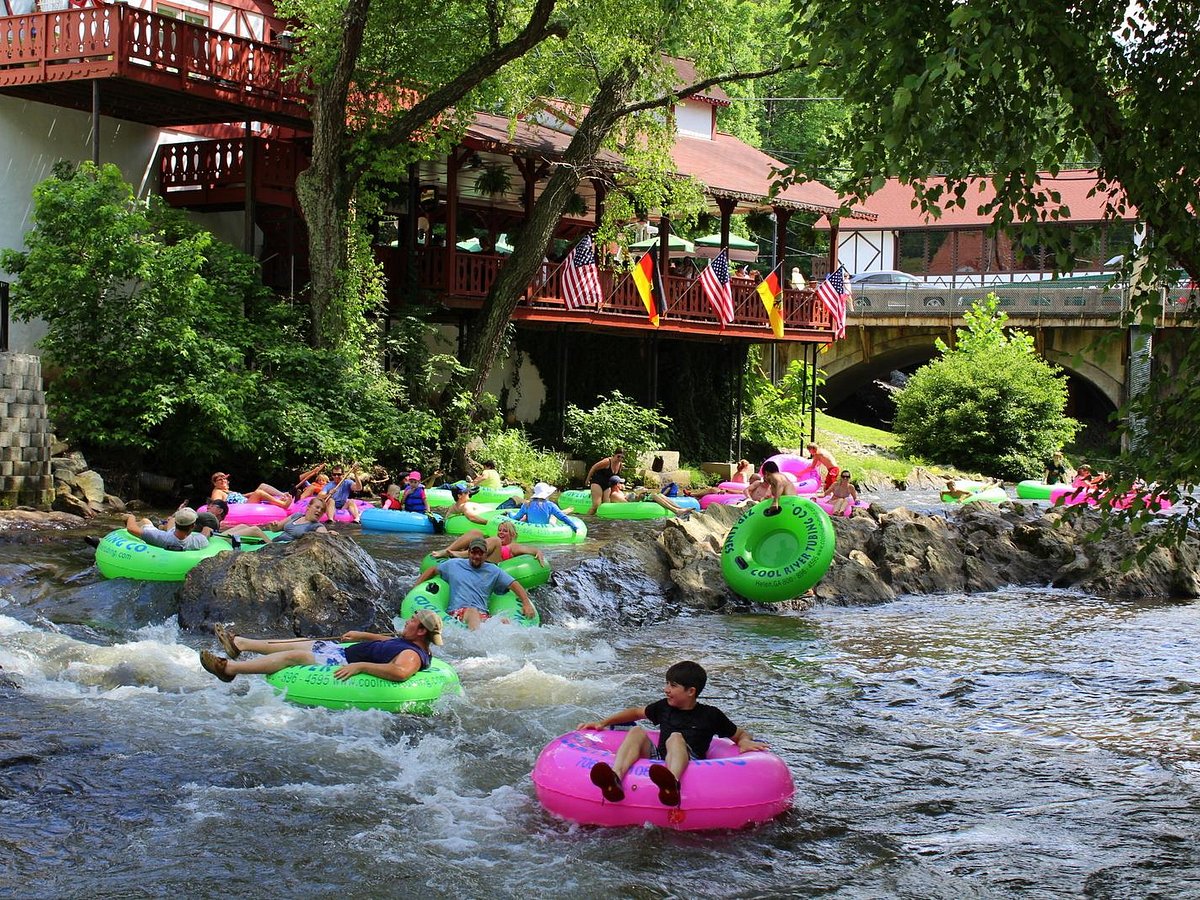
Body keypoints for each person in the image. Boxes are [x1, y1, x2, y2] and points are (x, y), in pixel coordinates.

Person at [579, 660, 766, 808]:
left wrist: (744, 742)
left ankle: (671, 784)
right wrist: (603, 722)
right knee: (636, 730)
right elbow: (636, 712)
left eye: (673, 685)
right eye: (667, 683)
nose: (666, 689)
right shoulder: (663, 707)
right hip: (660, 757)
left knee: (675, 737)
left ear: (691, 691)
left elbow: (739, 734)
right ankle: (615, 778)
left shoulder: (711, 715)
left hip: (690, 760)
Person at [198, 610, 443, 684]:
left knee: (293, 655)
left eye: (413, 620)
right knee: (299, 642)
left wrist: (360, 667)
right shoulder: (409, 641)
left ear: (421, 630)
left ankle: (229, 669)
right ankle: (240, 643)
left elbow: (400, 672)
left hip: (345, 663)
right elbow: (386, 644)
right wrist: (362, 634)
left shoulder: (412, 654)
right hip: (342, 653)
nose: (408, 621)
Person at [412, 536, 536, 629]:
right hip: (457, 613)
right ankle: (478, 644)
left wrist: (526, 603)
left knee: (504, 621)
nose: (476, 556)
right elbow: (433, 569)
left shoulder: (493, 570)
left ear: (485, 554)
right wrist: (414, 589)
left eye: (480, 553)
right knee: (472, 611)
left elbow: (514, 584)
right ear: (469, 552)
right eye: (474, 552)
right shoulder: (454, 564)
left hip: (482, 615)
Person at [432, 518, 547, 567]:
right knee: (477, 532)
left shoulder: (513, 546)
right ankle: (449, 550)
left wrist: (538, 551)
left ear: (512, 535)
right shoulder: (493, 540)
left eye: (505, 531)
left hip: (492, 564)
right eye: (499, 530)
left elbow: (530, 550)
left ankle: (461, 554)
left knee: (495, 540)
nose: (501, 533)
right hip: (478, 557)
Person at [124, 507, 209, 551]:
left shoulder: (159, 537)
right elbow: (206, 533)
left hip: (169, 536)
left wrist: (131, 517)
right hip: (174, 534)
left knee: (145, 521)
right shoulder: (199, 541)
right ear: (193, 526)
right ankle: (162, 526)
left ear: (176, 524)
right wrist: (207, 528)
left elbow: (131, 528)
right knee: (171, 520)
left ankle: (162, 526)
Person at [196, 499, 274, 544]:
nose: (208, 508)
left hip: (215, 537)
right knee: (255, 530)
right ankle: (273, 546)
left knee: (243, 526)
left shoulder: (216, 523)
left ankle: (258, 542)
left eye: (212, 506)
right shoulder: (205, 520)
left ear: (220, 511)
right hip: (214, 541)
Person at [509, 482, 579, 532]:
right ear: (547, 495)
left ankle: (564, 511)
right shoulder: (550, 505)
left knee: (525, 517)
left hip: (530, 530)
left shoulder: (527, 504)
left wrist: (509, 514)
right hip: (545, 529)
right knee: (553, 516)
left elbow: (516, 517)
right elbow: (562, 517)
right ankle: (565, 511)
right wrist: (573, 526)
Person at [261, 497, 331, 541]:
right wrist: (273, 525)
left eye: (322, 510)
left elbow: (324, 536)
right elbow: (276, 529)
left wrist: (329, 533)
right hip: (274, 543)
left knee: (255, 530)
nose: (319, 511)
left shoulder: (317, 526)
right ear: (308, 507)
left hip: (285, 549)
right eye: (317, 507)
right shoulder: (297, 515)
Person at [209, 472, 292, 509]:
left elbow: (242, 496)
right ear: (215, 483)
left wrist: (252, 494)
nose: (223, 480)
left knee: (262, 487)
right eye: (220, 479)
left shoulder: (227, 491)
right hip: (242, 507)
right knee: (259, 492)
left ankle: (283, 495)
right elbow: (217, 504)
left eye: (224, 479)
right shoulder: (217, 491)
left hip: (246, 502)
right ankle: (283, 504)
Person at [585, 449, 627, 514]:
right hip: (597, 482)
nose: (620, 459)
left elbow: (615, 477)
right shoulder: (607, 462)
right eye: (618, 456)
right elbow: (594, 467)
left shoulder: (620, 465)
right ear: (614, 455)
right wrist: (587, 480)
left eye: (622, 457)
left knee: (606, 506)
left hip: (607, 485)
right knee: (596, 505)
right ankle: (587, 518)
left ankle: (602, 522)